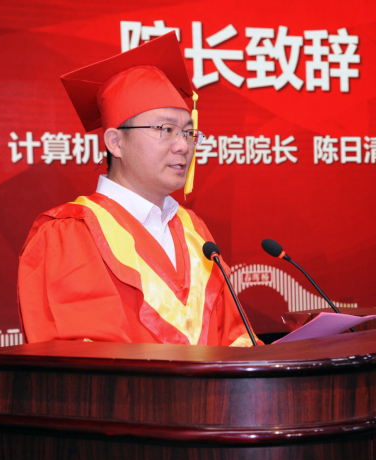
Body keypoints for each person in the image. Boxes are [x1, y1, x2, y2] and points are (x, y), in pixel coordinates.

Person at [17, 32, 257, 347]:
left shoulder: (194, 231)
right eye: (166, 129)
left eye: (188, 132)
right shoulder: (72, 234)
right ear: (115, 142)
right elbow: (86, 357)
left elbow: (236, 337)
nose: (183, 146)